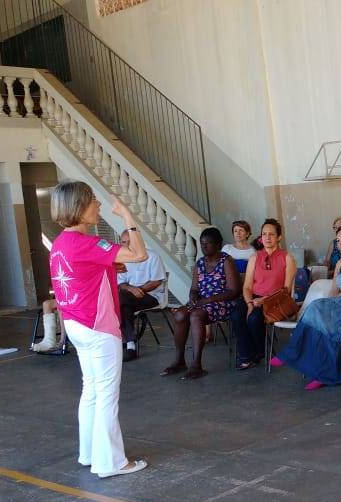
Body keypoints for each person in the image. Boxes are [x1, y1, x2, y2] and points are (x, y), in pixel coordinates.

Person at [48, 181, 147, 478]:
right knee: (106, 395)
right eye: (93, 199)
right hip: (98, 326)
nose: (98, 204)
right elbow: (139, 254)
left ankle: (90, 454)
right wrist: (127, 216)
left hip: (77, 324)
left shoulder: (61, 244)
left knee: (91, 390)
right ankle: (112, 462)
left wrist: (107, 266)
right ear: (79, 207)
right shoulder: (86, 243)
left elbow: (84, 272)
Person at [272, 224, 341, 389]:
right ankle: (323, 373)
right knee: (322, 323)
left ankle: (293, 353)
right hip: (340, 302)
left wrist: (330, 302)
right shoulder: (340, 262)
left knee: (319, 309)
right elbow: (333, 290)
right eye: (337, 240)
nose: (340, 242)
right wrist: (329, 303)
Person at [163, 227, 241, 379]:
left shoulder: (226, 261)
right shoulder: (199, 263)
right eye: (202, 243)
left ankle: (196, 364)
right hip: (202, 303)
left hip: (223, 303)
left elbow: (234, 291)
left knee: (196, 315)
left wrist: (207, 300)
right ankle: (179, 360)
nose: (204, 246)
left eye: (208, 243)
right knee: (180, 314)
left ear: (218, 244)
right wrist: (193, 297)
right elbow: (194, 288)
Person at [233, 218, 297, 370]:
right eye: (264, 234)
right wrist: (250, 303)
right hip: (253, 297)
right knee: (236, 315)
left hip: (275, 300)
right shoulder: (255, 257)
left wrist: (264, 300)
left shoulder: (287, 258)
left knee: (254, 319)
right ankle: (245, 355)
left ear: (279, 237)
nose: (267, 237)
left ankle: (259, 352)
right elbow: (247, 286)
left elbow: (286, 290)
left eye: (271, 234)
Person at [116, 230, 166, 361]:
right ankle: (131, 346)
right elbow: (121, 283)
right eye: (123, 242)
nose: (126, 245)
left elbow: (156, 281)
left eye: (130, 242)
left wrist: (137, 290)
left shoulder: (152, 256)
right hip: (129, 297)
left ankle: (119, 338)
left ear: (138, 241)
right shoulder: (124, 259)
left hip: (151, 296)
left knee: (119, 299)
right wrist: (130, 289)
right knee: (124, 307)